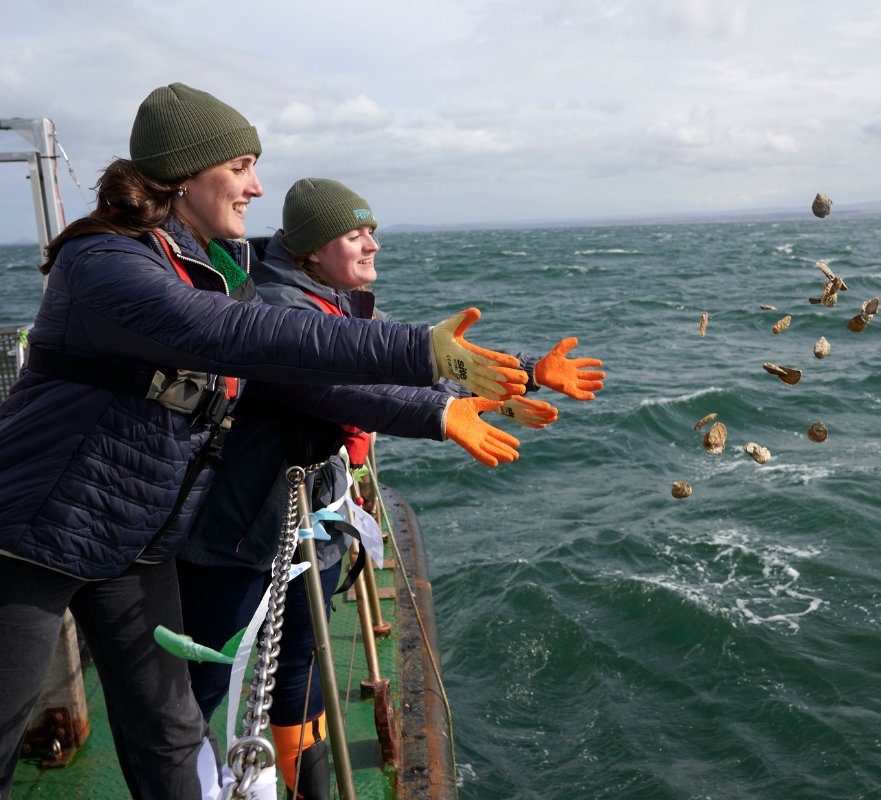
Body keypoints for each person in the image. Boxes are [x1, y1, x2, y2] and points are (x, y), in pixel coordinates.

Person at [0, 83, 533, 800]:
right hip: (33, 527)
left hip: (134, 532)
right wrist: (423, 351)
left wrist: (471, 390)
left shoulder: (221, 266)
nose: (256, 185)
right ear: (184, 175)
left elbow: (308, 373)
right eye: (241, 165)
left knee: (170, 730)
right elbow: (235, 335)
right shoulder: (105, 263)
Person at [176, 178, 606, 798]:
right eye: (355, 234)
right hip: (237, 536)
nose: (373, 244)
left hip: (311, 527)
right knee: (196, 686)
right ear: (312, 251)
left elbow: (398, 366)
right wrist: (439, 416)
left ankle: (311, 790)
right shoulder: (276, 310)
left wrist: (528, 372)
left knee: (301, 672)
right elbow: (344, 387)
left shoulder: (330, 299)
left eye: (370, 230)